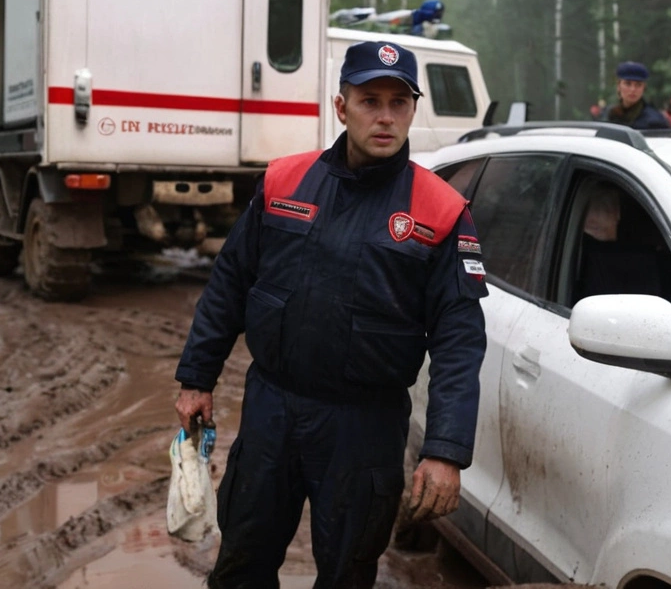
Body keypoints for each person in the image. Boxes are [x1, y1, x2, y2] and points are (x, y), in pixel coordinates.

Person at [174, 40, 490, 589]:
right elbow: (229, 282)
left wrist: (445, 451)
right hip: (272, 407)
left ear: (414, 109)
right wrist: (196, 378)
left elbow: (459, 341)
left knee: (347, 573)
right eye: (370, 100)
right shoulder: (283, 183)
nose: (385, 116)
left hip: (364, 427)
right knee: (241, 562)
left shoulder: (440, 211)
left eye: (399, 101)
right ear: (341, 107)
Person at [596, 61, 670, 129]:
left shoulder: (654, 121)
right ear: (618, 86)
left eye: (638, 85)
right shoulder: (608, 114)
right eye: (628, 84)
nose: (633, 89)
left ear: (644, 88)